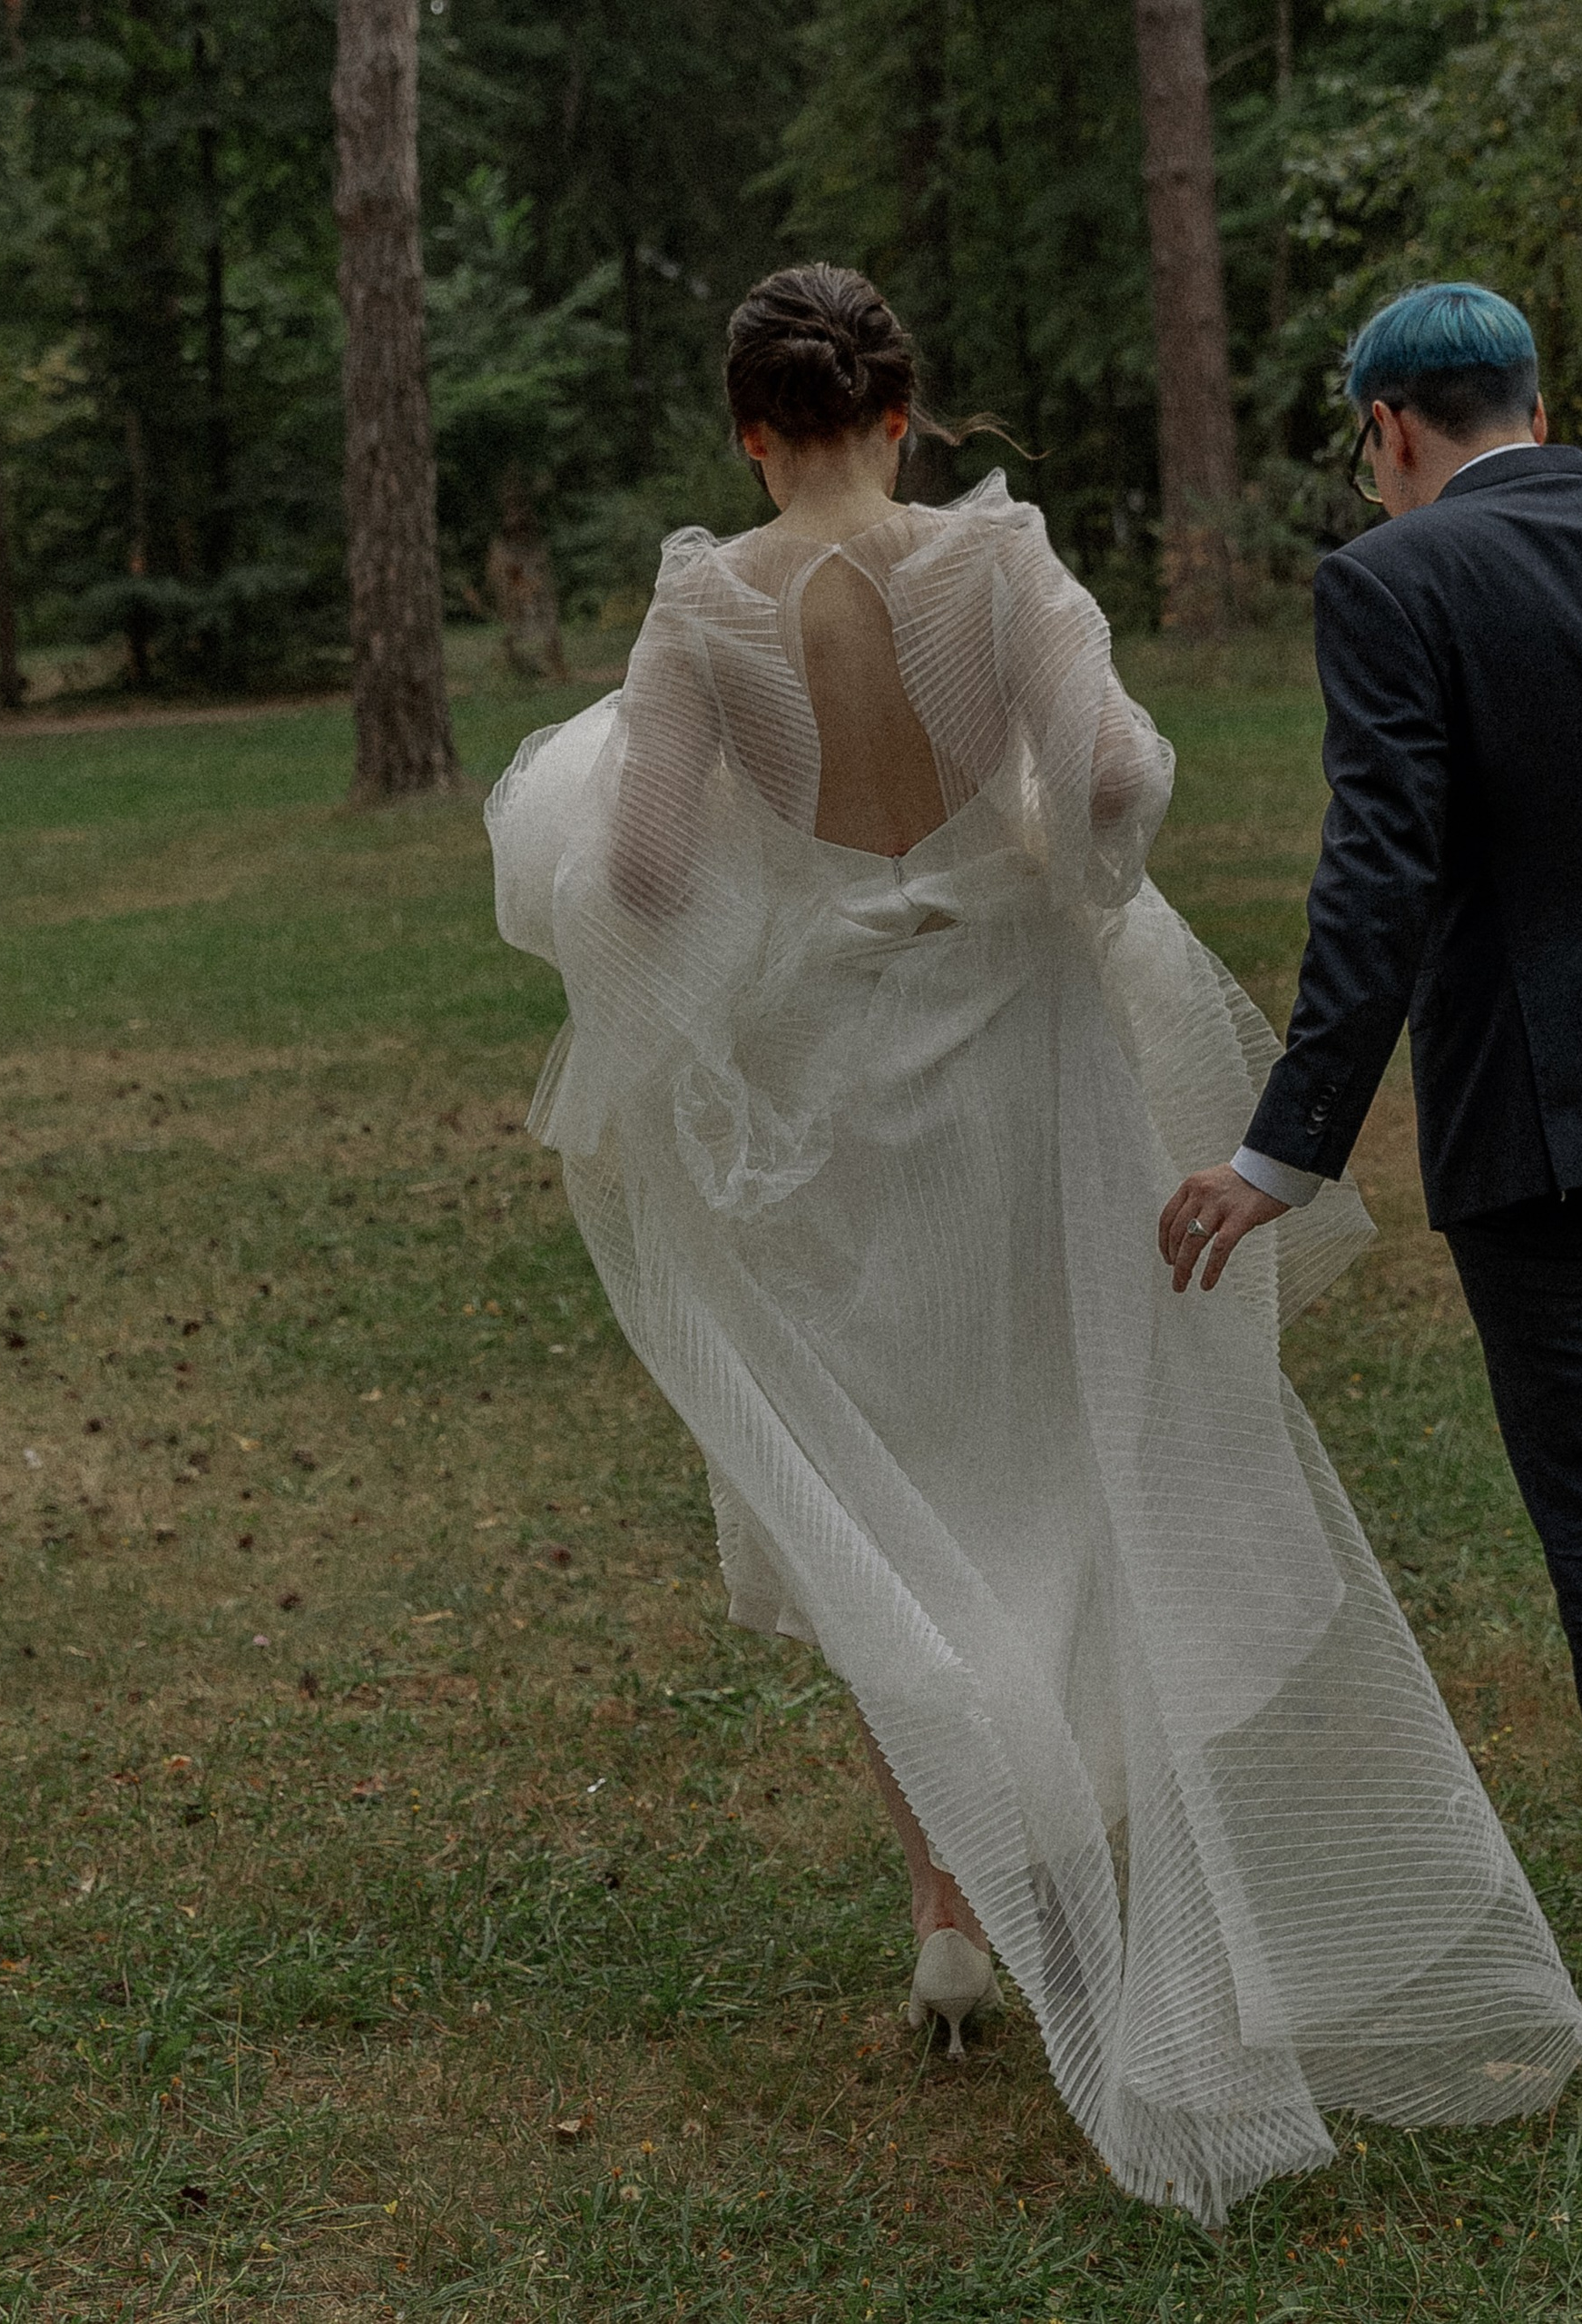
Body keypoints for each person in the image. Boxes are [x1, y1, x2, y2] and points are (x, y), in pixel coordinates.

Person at [485, 262, 1582, 2227]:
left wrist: (650, 842)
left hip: (831, 1087)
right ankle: (1159, 1884)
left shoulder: (700, 606)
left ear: (749, 427)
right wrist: (1055, 859)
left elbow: (644, 870)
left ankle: (947, 1899)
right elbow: (1103, 782)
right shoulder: (998, 566)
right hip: (1024, 1055)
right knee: (1094, 1443)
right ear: (903, 415)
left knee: (902, 1476)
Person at [1160, 282, 1582, 1708]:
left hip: (1545, 1141)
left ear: (1388, 431)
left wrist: (1282, 1152)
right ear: (1541, 403)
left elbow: (1378, 883)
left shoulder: (1395, 582)